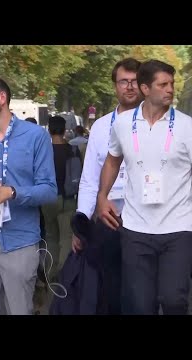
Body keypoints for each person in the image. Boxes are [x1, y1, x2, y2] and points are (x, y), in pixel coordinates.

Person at [97, 59, 192, 315]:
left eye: (172, 84)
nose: (170, 89)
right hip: (135, 229)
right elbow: (112, 159)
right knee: (139, 305)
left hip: (179, 228)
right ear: (145, 89)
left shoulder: (186, 126)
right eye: (163, 84)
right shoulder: (123, 124)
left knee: (174, 300)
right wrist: (102, 196)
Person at [0, 76, 57, 315]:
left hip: (20, 240)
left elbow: (49, 190)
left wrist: (12, 192)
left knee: (18, 310)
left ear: (2, 98)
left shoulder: (36, 136)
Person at [73, 58, 142, 315]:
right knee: (108, 292)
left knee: (142, 293)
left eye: (135, 81)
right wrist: (82, 222)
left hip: (145, 220)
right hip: (107, 219)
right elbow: (90, 178)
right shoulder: (101, 127)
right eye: (123, 81)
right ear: (115, 86)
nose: (130, 87)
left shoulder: (157, 124)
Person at [41, 115, 82, 281]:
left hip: (48, 199)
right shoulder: (72, 150)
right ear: (65, 130)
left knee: (50, 237)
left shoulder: (44, 152)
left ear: (49, 130)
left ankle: (50, 274)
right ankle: (64, 273)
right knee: (66, 238)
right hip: (68, 199)